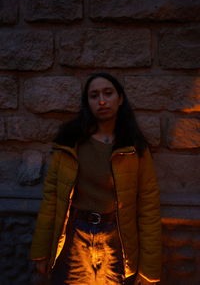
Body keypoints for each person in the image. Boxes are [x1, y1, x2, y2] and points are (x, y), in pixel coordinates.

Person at [30, 72, 162, 285]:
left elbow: (149, 208)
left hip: (116, 238)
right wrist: (41, 252)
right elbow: (51, 200)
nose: (101, 100)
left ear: (120, 99)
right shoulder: (69, 144)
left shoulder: (133, 148)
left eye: (108, 93)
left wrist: (149, 270)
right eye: (94, 95)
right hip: (75, 235)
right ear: (87, 103)